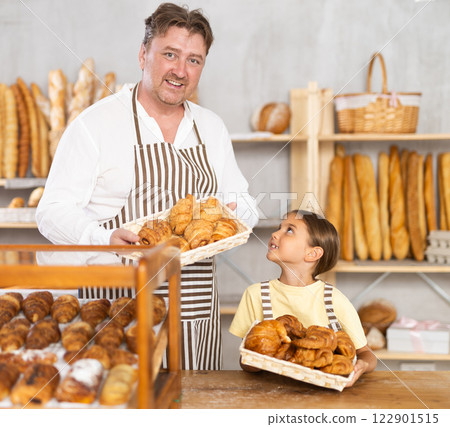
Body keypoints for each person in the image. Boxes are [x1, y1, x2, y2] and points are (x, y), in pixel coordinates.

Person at [36, 3, 258, 370]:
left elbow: (243, 200)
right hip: (116, 313)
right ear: (143, 54)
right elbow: (52, 210)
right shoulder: (96, 124)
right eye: (169, 54)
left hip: (193, 311)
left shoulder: (211, 127)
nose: (180, 70)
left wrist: (237, 215)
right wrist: (102, 237)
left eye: (194, 60)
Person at [229, 210, 376, 387]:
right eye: (279, 227)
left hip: (323, 395)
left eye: (289, 230)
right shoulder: (255, 294)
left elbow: (367, 354)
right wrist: (258, 357)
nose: (275, 233)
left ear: (312, 254)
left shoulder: (334, 299)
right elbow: (246, 362)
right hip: (270, 393)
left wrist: (361, 367)